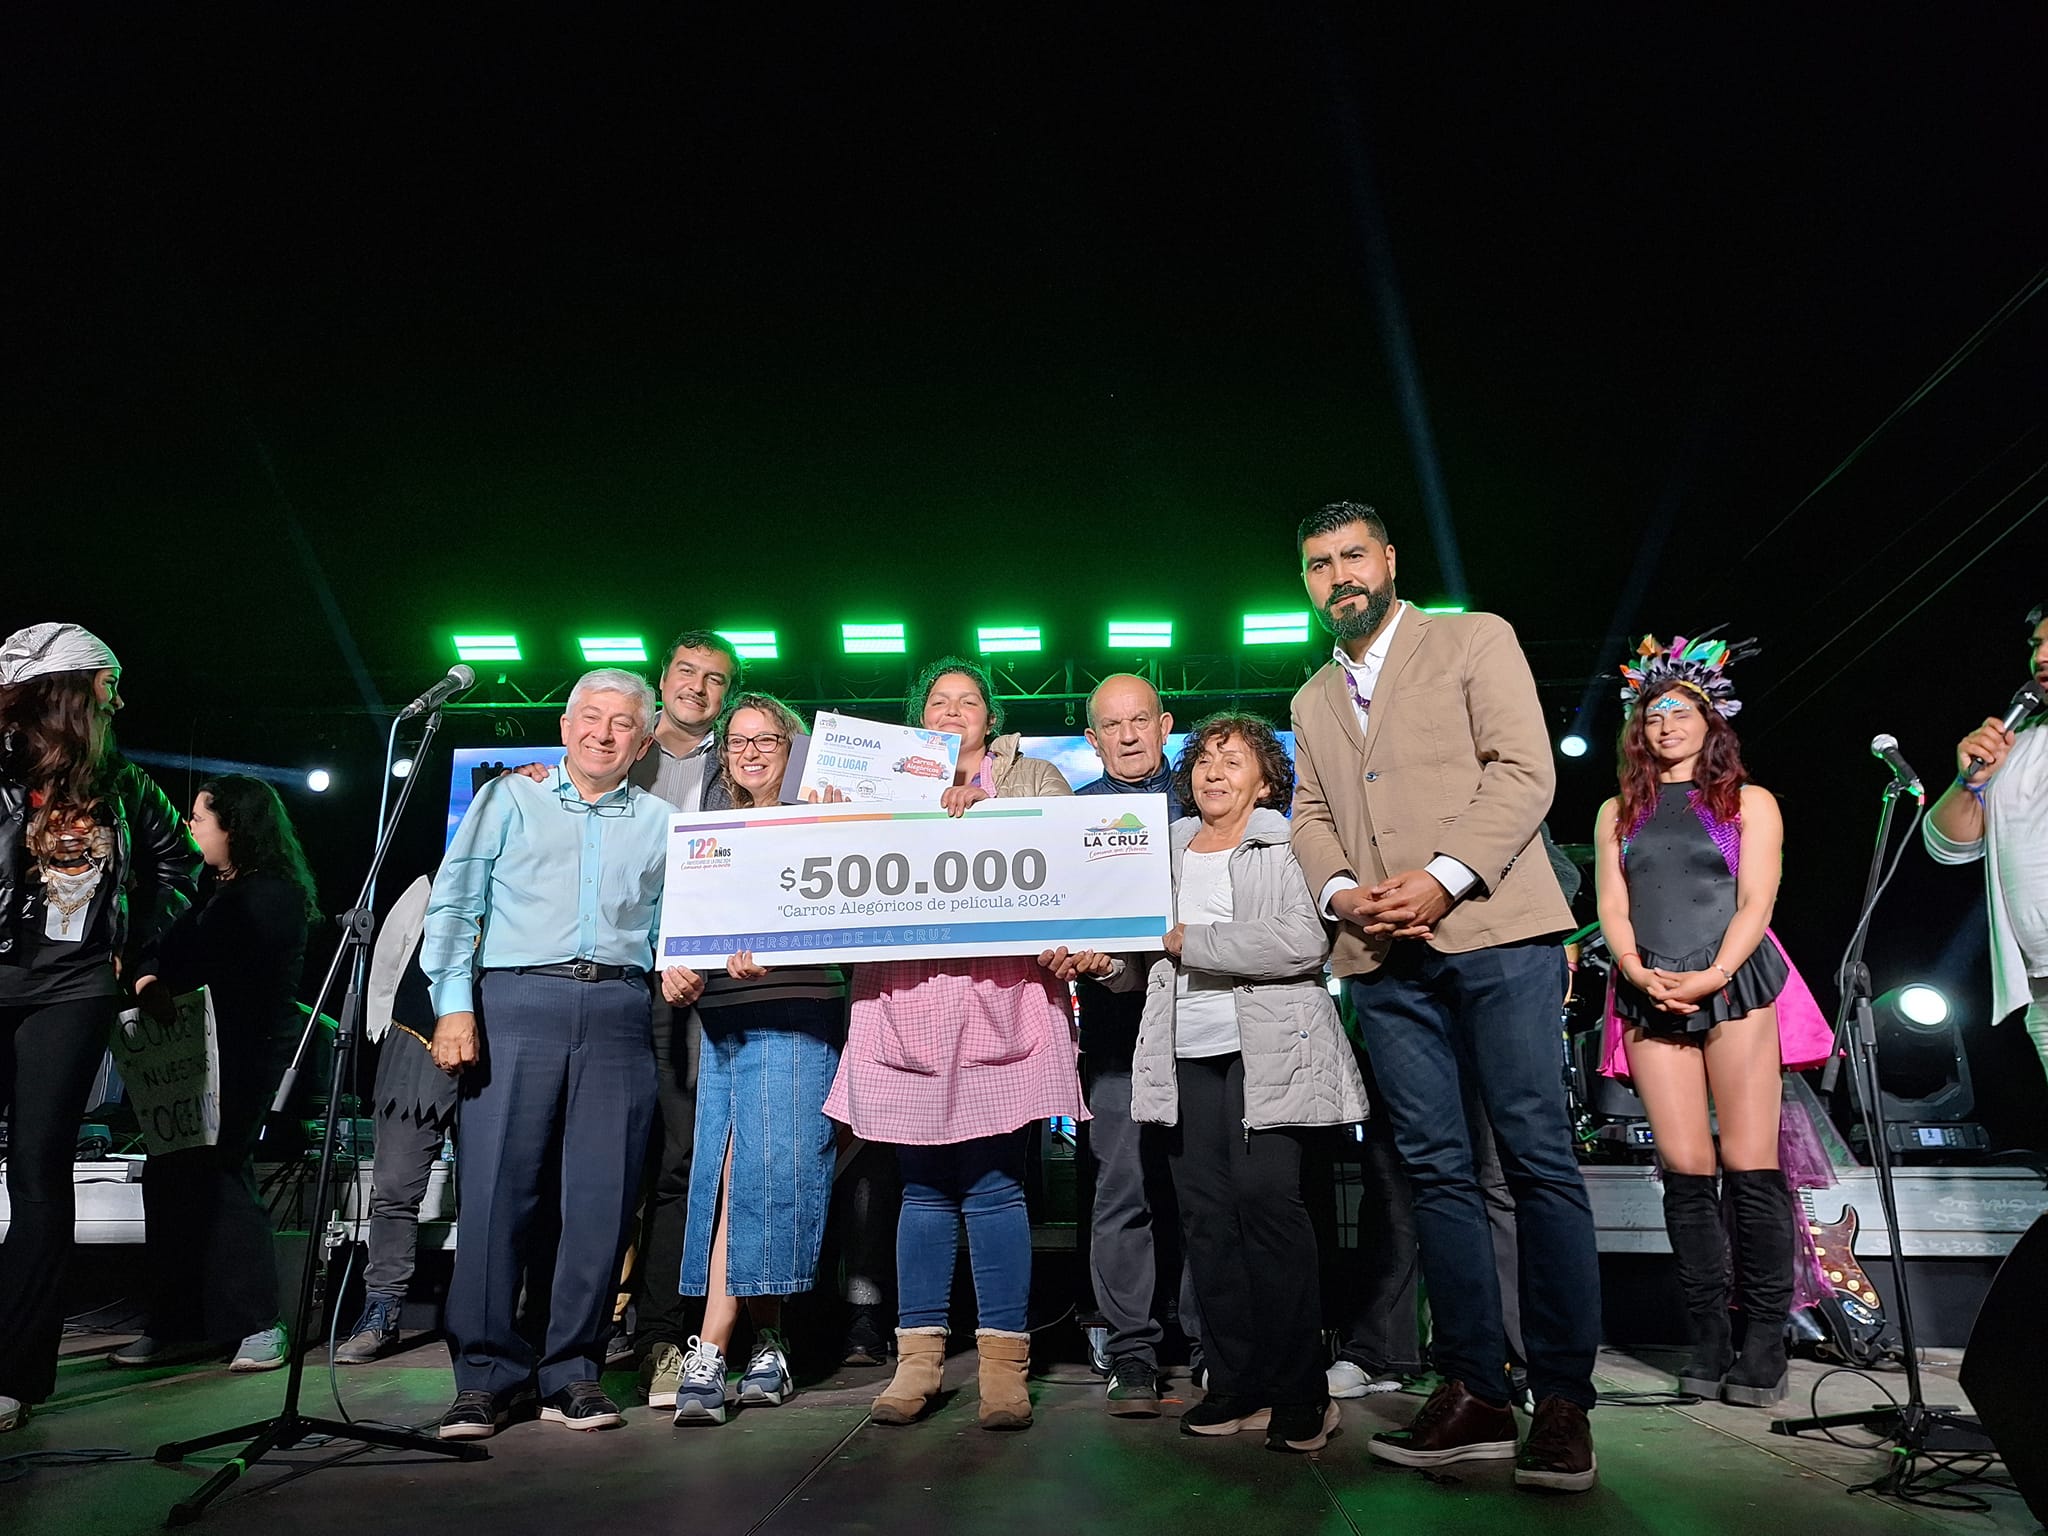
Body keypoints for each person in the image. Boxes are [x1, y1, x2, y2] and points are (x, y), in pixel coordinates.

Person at [1286, 502, 1600, 1493]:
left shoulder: (1472, 640)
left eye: (1350, 555)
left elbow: (1523, 772)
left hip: (1497, 932)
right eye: (1316, 564)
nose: (1337, 575)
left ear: (1386, 560)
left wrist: (1443, 874)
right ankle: (1473, 1390)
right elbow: (1309, 816)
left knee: (1535, 1156)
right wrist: (1342, 895)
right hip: (1382, 958)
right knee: (1434, 1174)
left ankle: (1560, 1401)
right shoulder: (1308, 700)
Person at [1065, 712, 1368, 1453]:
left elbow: (1303, 942)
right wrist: (1106, 966)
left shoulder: (1288, 842)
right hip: (1183, 1052)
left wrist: (1190, 941)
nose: (1213, 773)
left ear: (1265, 777)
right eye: (1203, 760)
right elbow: (1142, 959)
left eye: (1233, 761)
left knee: (1269, 1206)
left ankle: (1302, 1389)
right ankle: (1235, 1381)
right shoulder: (1163, 849)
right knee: (1204, 1216)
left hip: (1270, 1052)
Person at [421, 668, 704, 1439]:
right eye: (590, 716)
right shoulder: (508, 798)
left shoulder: (663, 821)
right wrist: (453, 1005)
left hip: (619, 1010)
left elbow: (667, 922)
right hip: (516, 1002)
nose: (603, 733)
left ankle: (571, 1373)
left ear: (645, 740)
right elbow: (456, 901)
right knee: (497, 1196)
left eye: (621, 723)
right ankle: (483, 1378)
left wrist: (680, 961)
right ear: (566, 722)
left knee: (601, 1199)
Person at [823, 656, 1083, 1432]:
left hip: (1000, 1001)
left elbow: (1068, 858)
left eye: (969, 700)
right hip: (905, 999)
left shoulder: (1032, 778)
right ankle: (919, 1365)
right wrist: (834, 810)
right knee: (923, 1188)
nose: (953, 709)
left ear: (990, 718)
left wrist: (988, 812)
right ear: (918, 719)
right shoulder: (880, 787)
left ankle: (1005, 1368)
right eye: (938, 701)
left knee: (997, 1185)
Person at [1593, 636, 1831, 1406]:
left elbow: (1757, 900)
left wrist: (1714, 974)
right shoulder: (1617, 812)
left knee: (1751, 1168)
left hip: (1732, 982)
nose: (1665, 723)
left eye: (1679, 710)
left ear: (1709, 720)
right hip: (1648, 986)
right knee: (1686, 1173)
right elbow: (1611, 905)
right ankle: (1707, 1338)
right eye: (1652, 713)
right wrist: (1635, 970)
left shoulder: (1745, 803)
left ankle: (1765, 1341)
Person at [0, 623, 198, 1432]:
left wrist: (141, 952)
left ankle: (14, 1372)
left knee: (39, 1169)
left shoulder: (124, 784)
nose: (119, 701)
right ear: (73, 692)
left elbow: (177, 869)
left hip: (72, 989)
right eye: (108, 687)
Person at [668, 694, 846, 1425]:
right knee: (734, 1171)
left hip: (800, 1015)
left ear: (790, 745)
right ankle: (767, 1342)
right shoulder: (707, 834)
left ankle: (712, 1346)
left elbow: (855, 921)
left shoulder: (824, 816)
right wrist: (676, 970)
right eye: (737, 742)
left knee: (766, 1171)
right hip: (721, 1022)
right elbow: (678, 930)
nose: (749, 752)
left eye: (765, 739)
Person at [113, 775, 317, 1371]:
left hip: (237, 1059)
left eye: (201, 817)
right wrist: (151, 973)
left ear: (235, 825)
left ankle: (259, 1322)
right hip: (184, 1062)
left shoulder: (270, 896)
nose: (191, 826)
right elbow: (164, 948)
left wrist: (162, 970)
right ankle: (175, 1323)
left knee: (222, 1177)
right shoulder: (211, 891)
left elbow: (214, 965)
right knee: (169, 1180)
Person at [1070, 672, 1197, 1417]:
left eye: (1140, 720)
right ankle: (1132, 1356)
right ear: (1092, 739)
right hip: (1116, 1037)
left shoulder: (1206, 800)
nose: (1126, 735)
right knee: (1124, 1191)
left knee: (1202, 1193)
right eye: (1111, 725)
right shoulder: (1072, 818)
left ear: (1164, 724)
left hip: (1204, 1028)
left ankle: (1211, 1347)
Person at [625, 630, 739, 1384]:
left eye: (716, 680)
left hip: (689, 987)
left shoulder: (740, 760)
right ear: (662, 677)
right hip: (606, 981)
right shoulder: (619, 748)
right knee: (601, 1167)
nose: (699, 687)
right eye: (687, 672)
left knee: (680, 1163)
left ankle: (661, 1333)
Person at [333, 877, 456, 1363]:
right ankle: (381, 1310)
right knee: (394, 1189)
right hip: (416, 1041)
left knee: (494, 1195)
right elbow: (389, 957)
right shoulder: (433, 879)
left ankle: (489, 1316)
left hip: (491, 1044)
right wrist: (381, 1026)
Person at [1925, 602, 2048, 1081]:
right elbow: (1946, 847)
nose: (2041, 655)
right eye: (2037, 644)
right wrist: (1968, 783)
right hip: (2041, 985)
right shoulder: (2017, 744)